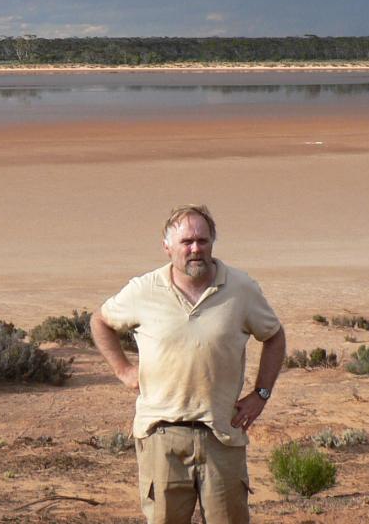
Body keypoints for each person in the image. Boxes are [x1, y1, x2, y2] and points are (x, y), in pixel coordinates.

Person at [90, 204, 286, 524]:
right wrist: (124, 371)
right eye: (186, 242)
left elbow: (274, 337)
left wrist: (261, 394)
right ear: (167, 247)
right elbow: (101, 321)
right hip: (161, 436)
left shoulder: (241, 289)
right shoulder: (143, 289)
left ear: (212, 243)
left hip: (222, 433)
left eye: (203, 241)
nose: (196, 249)